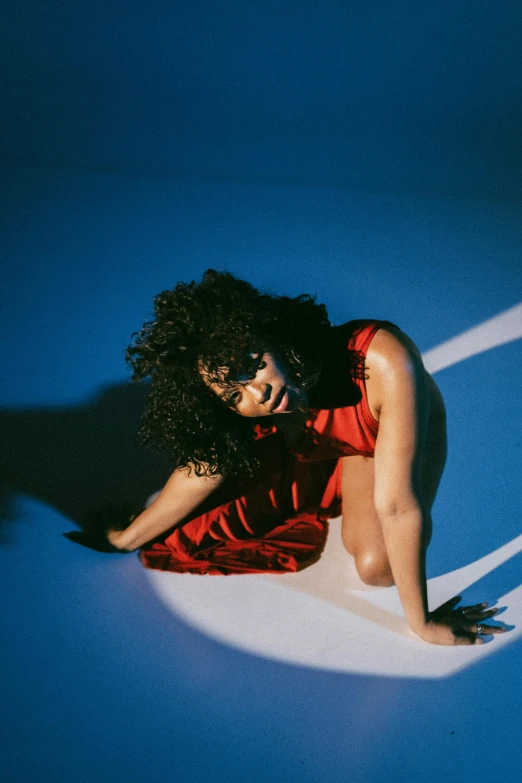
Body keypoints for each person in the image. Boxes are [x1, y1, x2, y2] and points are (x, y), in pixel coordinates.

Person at [71, 269, 506, 646]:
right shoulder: (258, 402)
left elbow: (397, 505)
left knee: (378, 567)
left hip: (380, 440)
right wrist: (126, 539)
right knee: (195, 528)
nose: (257, 394)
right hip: (315, 445)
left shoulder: (380, 357)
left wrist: (422, 622)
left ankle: (334, 479)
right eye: (233, 393)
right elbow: (202, 470)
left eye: (251, 364)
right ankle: (319, 474)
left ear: (270, 335)